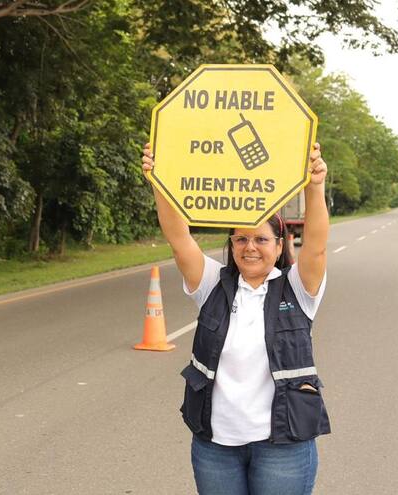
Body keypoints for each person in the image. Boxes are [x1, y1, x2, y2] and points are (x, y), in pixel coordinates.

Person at [142, 142, 330, 495]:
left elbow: (317, 247)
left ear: (280, 246)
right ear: (231, 245)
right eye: (241, 239)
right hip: (216, 447)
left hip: (283, 446)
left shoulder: (298, 290)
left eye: (261, 239)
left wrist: (314, 186)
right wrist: (159, 181)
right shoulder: (212, 284)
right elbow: (179, 240)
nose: (250, 247)